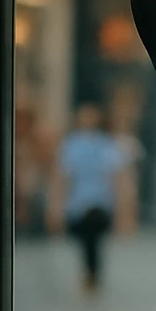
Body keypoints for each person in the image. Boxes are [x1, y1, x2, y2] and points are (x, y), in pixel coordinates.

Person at [51, 102, 127, 295]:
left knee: (93, 239)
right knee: (85, 240)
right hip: (78, 202)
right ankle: (90, 273)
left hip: (100, 202)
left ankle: (92, 275)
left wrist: (123, 209)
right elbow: (63, 177)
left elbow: (116, 177)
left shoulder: (105, 144)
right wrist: (56, 206)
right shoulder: (71, 144)